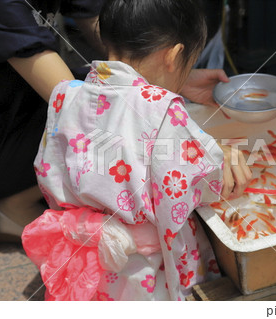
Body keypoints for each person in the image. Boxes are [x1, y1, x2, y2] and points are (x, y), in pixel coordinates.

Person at [22, 0, 252, 301]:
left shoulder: (65, 95)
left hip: (86, 256)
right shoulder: (162, 109)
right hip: (144, 270)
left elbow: (49, 169)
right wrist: (222, 163)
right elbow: (198, 186)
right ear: (174, 55)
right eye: (189, 63)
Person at [0, 0, 230, 245]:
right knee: (120, 128)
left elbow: (123, 38)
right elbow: (79, 110)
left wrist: (175, 75)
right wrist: (199, 150)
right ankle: (12, 205)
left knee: (110, 99)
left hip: (21, 98)